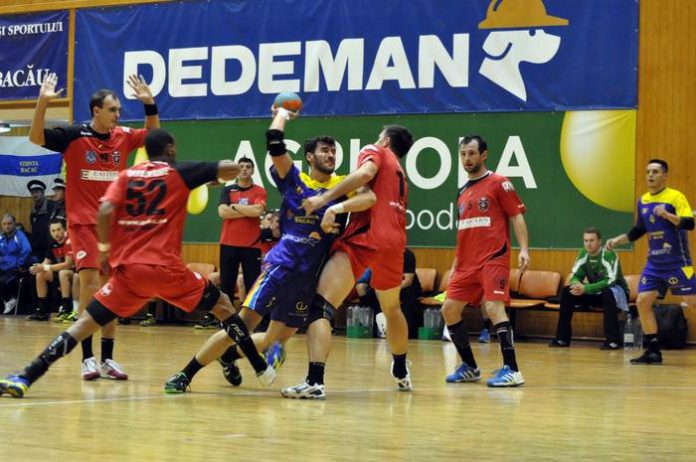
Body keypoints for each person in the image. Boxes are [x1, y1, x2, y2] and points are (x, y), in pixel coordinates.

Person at [0, 129, 275, 399]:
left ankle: (26, 376)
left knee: (82, 326)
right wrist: (219, 173)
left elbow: (105, 210)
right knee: (224, 305)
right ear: (170, 149)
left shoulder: (126, 175)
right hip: (167, 271)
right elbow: (227, 168)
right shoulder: (179, 172)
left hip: (129, 274)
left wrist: (104, 251)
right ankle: (258, 365)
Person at [164, 106, 377, 394]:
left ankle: (228, 357)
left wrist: (335, 207)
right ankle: (185, 374)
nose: (331, 155)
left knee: (273, 342)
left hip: (307, 280)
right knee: (239, 327)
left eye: (333, 151)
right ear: (310, 156)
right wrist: (282, 114)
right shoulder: (295, 180)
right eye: (324, 150)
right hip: (280, 268)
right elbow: (275, 143)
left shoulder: (341, 186)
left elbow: (369, 198)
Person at [28, 72, 159, 381]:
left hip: (115, 227)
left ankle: (107, 359)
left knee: (113, 288)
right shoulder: (74, 135)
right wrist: (42, 103)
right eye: (113, 110)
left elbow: (154, 137)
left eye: (119, 110)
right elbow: (35, 137)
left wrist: (149, 104)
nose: (118, 114)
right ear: (96, 110)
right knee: (90, 284)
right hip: (84, 224)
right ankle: (87, 357)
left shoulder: (123, 136)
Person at [289, 123, 414, 397]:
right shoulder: (400, 172)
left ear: (385, 140)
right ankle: (401, 369)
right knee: (392, 308)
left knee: (321, 306)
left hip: (367, 236)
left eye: (379, 136)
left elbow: (366, 178)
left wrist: (328, 201)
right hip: (395, 242)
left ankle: (314, 382)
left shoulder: (376, 151)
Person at [441, 135, 529, 388]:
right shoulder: (461, 192)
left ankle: (512, 369)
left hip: (493, 257)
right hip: (465, 264)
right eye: (463, 154)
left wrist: (524, 249)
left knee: (493, 307)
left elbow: (517, 217)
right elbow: (464, 231)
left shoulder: (499, 183)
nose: (467, 159)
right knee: (449, 310)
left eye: (471, 153)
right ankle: (470, 367)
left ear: (484, 155)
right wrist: (456, 264)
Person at [606, 159, 695, 364]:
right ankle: (653, 351)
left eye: (655, 172)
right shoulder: (643, 200)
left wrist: (667, 215)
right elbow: (639, 229)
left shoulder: (675, 197)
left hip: (677, 262)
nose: (650, 175)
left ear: (665, 176)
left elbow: (689, 223)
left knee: (692, 301)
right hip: (654, 264)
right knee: (643, 301)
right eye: (648, 172)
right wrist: (618, 240)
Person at [549, 227, 629, 350]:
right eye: (585, 240)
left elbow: (610, 281)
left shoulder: (608, 254)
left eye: (591, 240)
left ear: (599, 241)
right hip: (596, 293)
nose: (588, 244)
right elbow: (575, 275)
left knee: (607, 292)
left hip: (616, 293)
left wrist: (585, 288)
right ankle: (562, 339)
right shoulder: (583, 253)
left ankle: (612, 341)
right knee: (567, 291)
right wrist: (577, 285)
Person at [217, 156, 266, 306]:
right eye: (241, 166)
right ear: (236, 170)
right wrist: (247, 211)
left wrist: (234, 207)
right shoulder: (227, 190)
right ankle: (227, 317)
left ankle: (252, 317)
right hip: (228, 244)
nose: (244, 169)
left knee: (252, 285)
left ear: (253, 171)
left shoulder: (260, 191)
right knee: (226, 284)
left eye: (248, 167)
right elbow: (223, 212)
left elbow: (257, 211)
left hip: (251, 245)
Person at [27, 219, 75, 321]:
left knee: (63, 273)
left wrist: (46, 267)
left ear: (64, 229)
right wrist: (38, 267)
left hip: (72, 272)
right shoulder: (52, 243)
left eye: (58, 229)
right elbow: (46, 262)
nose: (56, 233)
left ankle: (66, 310)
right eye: (53, 231)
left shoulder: (69, 240)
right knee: (40, 273)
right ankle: (42, 310)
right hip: (58, 272)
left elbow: (68, 264)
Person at [0, 214, 31, 314]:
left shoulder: (19, 236)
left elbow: (27, 250)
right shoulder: (1, 237)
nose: (7, 226)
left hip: (15, 268)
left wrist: (19, 264)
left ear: (14, 224)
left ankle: (10, 299)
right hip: (3, 267)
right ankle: (7, 300)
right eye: (4, 224)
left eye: (9, 223)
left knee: (2, 281)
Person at [27, 180, 56, 264]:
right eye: (32, 193)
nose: (34, 195)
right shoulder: (33, 212)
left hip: (51, 249)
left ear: (43, 193)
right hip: (37, 250)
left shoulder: (52, 206)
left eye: (37, 192)